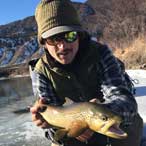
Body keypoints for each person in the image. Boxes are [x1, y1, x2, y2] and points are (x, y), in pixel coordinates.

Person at [30, 0, 143, 146]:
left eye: (69, 36)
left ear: (79, 35)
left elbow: (125, 101)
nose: (62, 46)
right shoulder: (41, 72)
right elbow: (53, 133)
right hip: (74, 136)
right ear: (44, 42)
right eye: (53, 39)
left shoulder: (101, 53)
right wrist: (49, 125)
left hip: (114, 129)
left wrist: (93, 114)